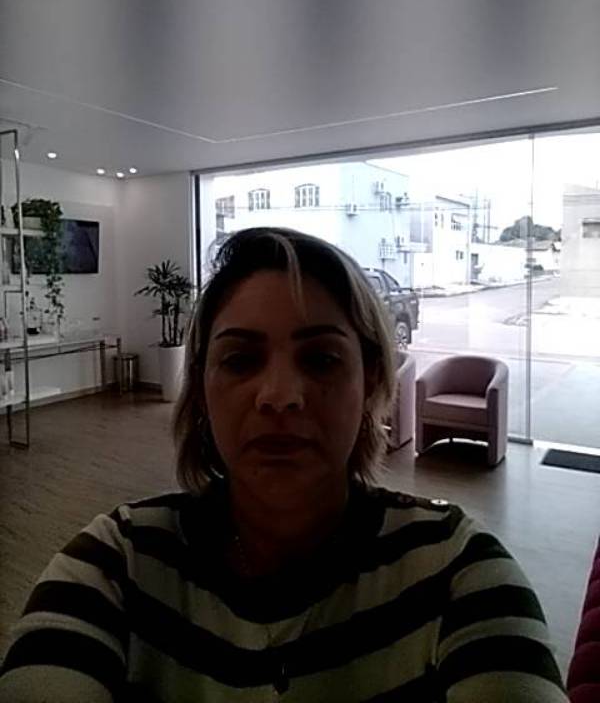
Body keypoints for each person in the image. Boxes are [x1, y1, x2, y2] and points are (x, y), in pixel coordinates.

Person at [0, 227, 568, 702]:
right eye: (240, 359)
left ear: (371, 379)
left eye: (320, 359)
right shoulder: (113, 566)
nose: (279, 396)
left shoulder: (459, 572)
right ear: (200, 385)